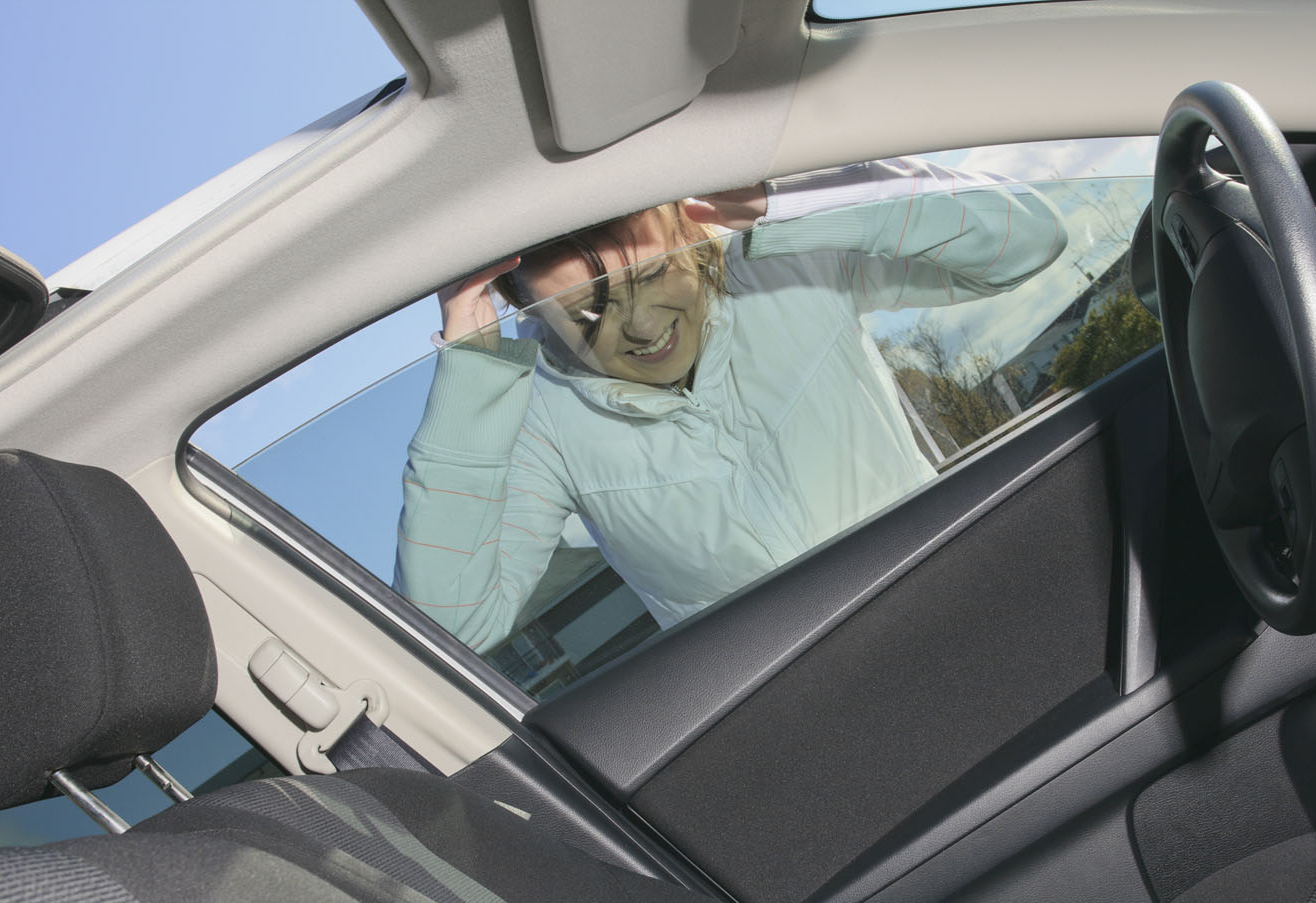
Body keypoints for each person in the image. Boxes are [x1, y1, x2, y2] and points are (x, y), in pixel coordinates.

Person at [395, 158, 1067, 651]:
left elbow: (1030, 241)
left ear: (689, 220)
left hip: (968, 601)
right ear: (526, 309)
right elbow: (452, 624)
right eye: (587, 311)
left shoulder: (787, 258)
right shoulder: (534, 417)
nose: (638, 325)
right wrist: (473, 371)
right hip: (800, 721)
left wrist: (803, 205)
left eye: (653, 272)